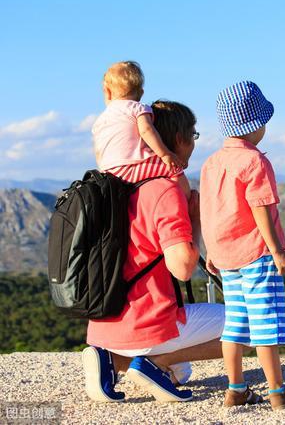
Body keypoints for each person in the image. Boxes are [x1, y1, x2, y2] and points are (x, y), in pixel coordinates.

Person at [82, 100, 224, 403]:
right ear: (178, 140)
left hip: (106, 321)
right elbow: (183, 267)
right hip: (149, 319)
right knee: (255, 323)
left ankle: (111, 361)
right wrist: (195, 219)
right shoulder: (164, 189)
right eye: (193, 136)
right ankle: (152, 363)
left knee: (182, 372)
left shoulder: (118, 186)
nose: (193, 144)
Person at [200, 81, 285, 409]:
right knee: (266, 322)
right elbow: (260, 208)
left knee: (234, 323)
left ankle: (236, 389)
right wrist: (277, 250)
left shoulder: (210, 164)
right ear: (255, 124)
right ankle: (278, 392)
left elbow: (209, 211)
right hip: (257, 254)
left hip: (225, 256)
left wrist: (212, 251)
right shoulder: (255, 163)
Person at [91, 61, 191, 198]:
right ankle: (187, 200)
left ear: (107, 92)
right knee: (173, 169)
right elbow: (146, 131)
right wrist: (165, 154)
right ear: (141, 93)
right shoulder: (137, 108)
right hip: (129, 169)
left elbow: (98, 150)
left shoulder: (100, 120)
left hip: (107, 173)